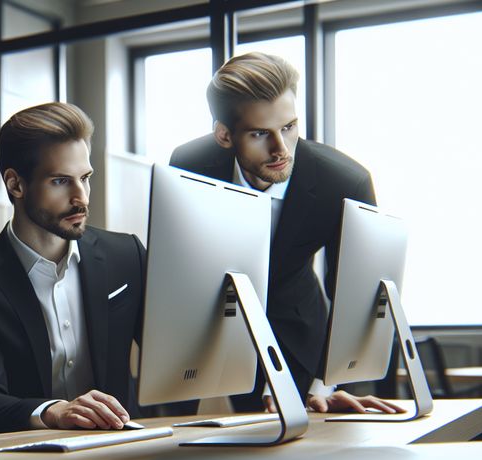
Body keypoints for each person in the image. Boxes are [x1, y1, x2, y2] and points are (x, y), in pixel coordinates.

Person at [169, 52, 404, 414]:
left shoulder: (343, 181)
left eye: (289, 127)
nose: (281, 149)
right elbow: (179, 267)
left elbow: (354, 297)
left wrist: (327, 382)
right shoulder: (189, 165)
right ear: (224, 135)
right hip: (217, 330)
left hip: (299, 332)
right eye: (261, 133)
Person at [0, 102, 146, 435]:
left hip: (121, 447)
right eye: (61, 181)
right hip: (25, 458)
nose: (81, 198)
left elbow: (174, 358)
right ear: (16, 185)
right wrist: (52, 411)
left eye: (85, 178)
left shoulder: (127, 256)